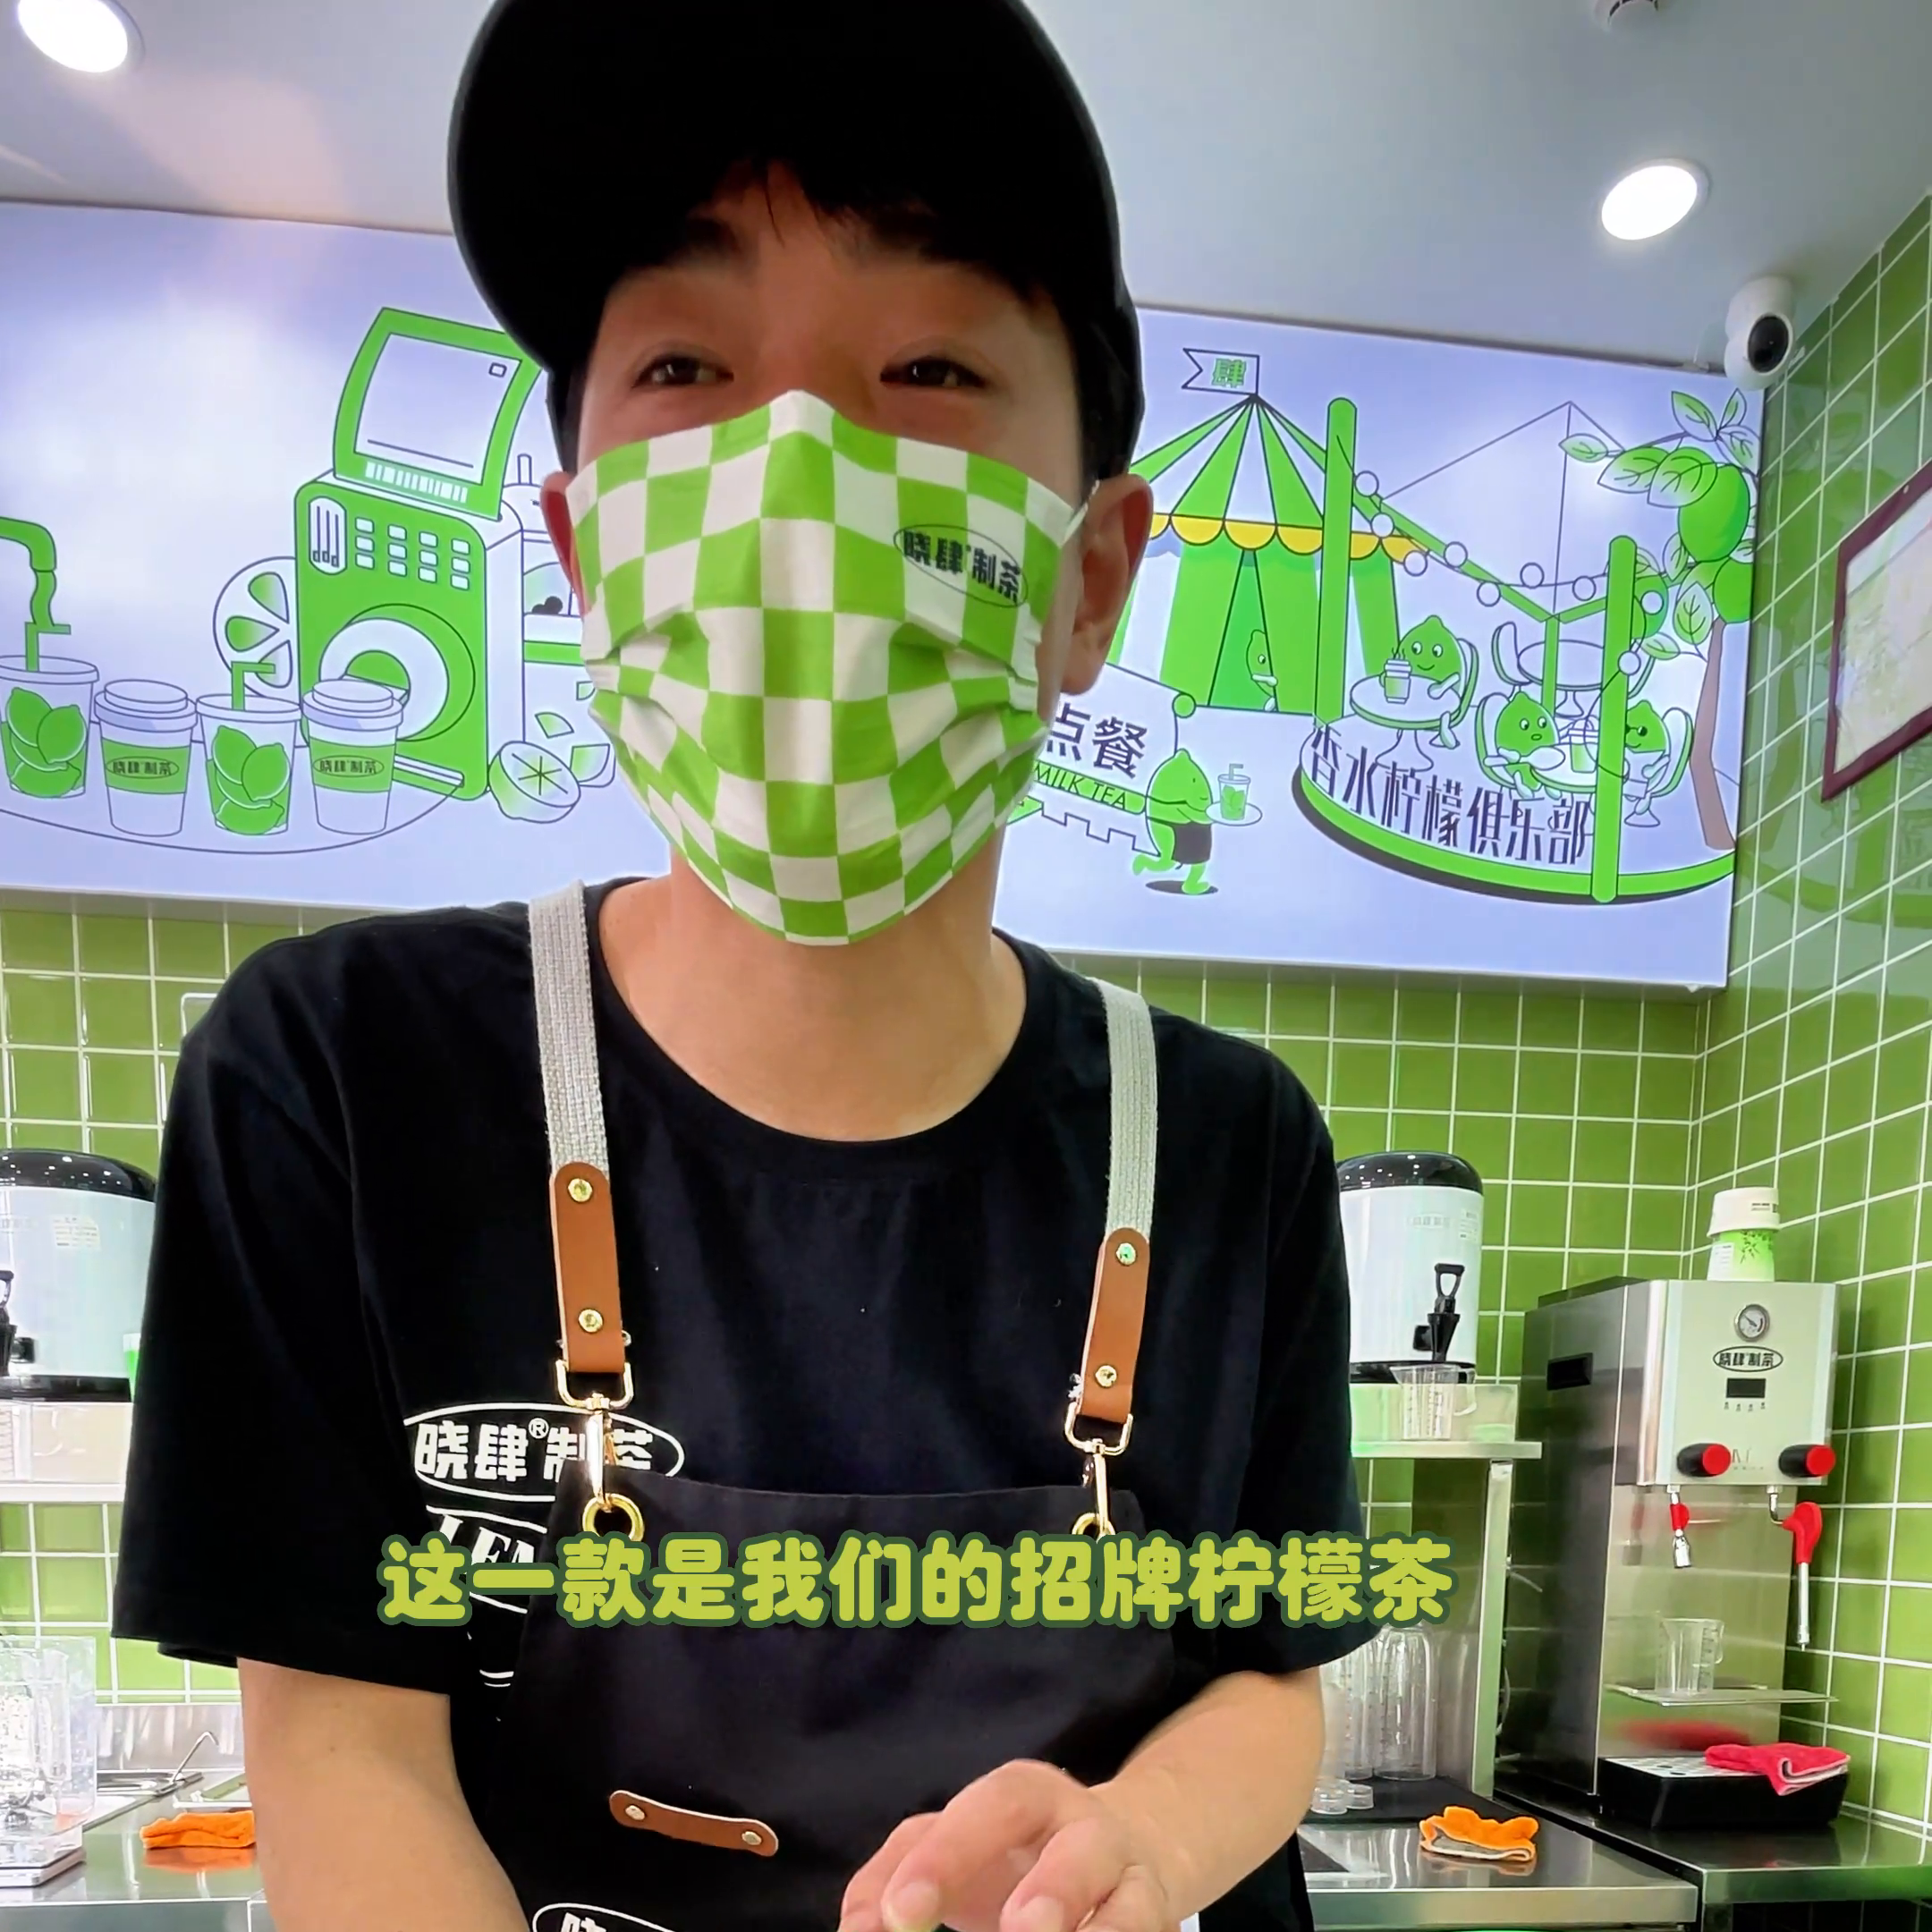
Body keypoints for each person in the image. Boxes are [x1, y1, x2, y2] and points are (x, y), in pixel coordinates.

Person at [114, 3, 1372, 1928]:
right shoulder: (339, 1076)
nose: (794, 473)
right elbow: (344, 1748)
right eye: (687, 366)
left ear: (1092, 579)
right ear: (582, 552)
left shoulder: (1231, 1145)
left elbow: (1269, 1674)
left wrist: (1150, 1844)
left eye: (928, 366)